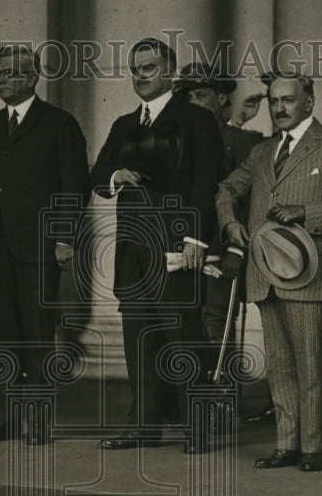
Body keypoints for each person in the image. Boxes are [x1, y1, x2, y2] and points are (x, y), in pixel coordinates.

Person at [216, 72, 322, 471]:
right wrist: (230, 224)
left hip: (313, 274)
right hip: (266, 271)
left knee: (310, 363)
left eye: (287, 100)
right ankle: (286, 444)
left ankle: (312, 447)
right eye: (273, 100)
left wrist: (306, 212)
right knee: (280, 365)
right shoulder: (262, 151)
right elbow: (226, 190)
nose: (279, 108)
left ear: (308, 103)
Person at [89, 38, 224, 453]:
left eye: (148, 68)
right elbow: (97, 177)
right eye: (134, 69)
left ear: (169, 72)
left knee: (183, 338)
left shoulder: (197, 120)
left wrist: (195, 240)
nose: (139, 76)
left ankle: (197, 428)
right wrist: (117, 177)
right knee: (140, 339)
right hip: (133, 251)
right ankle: (144, 426)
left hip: (176, 246)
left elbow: (207, 182)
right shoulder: (123, 125)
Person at [0, 45, 90, 444]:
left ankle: (37, 424)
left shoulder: (59, 124)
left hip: (40, 247)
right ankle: (3, 421)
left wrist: (65, 238)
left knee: (37, 337)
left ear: (33, 78)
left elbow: (75, 187)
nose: (3, 79)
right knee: (1, 335)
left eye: (12, 73)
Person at [173, 63, 262, 377]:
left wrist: (237, 251)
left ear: (222, 99)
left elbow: (250, 200)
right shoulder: (177, 139)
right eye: (189, 97)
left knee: (216, 323)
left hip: (220, 247)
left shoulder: (242, 141)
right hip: (183, 249)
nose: (193, 102)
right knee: (185, 325)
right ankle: (192, 399)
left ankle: (222, 399)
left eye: (201, 95)